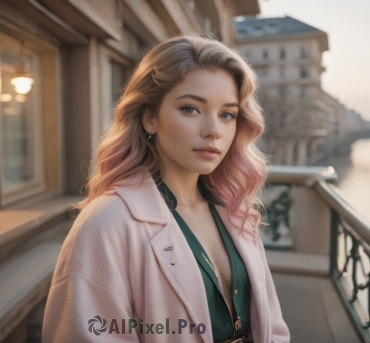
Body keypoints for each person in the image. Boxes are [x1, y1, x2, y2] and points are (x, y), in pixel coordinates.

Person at [42, 35, 290, 343]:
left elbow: (273, 325)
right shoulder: (107, 222)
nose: (214, 130)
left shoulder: (236, 210)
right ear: (149, 118)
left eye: (227, 114)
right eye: (190, 109)